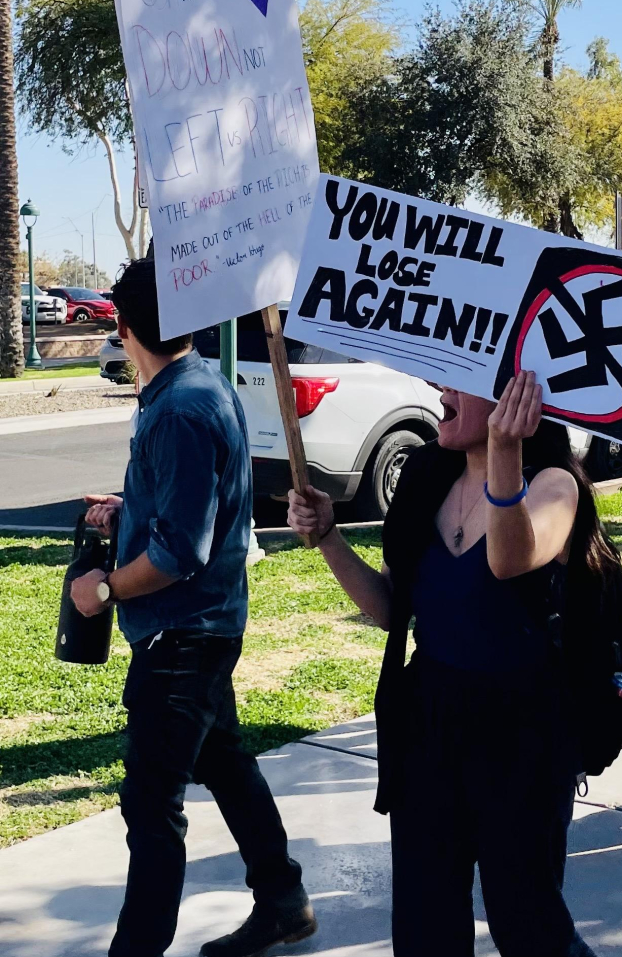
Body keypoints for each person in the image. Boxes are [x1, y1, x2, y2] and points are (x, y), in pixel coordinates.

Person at [288, 371, 616, 957]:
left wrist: (505, 453)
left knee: (527, 916)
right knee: (424, 914)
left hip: (523, 730)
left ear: (513, 394)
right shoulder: (425, 476)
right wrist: (332, 539)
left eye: (459, 382)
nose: (441, 393)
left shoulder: (555, 486)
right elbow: (393, 609)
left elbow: (510, 559)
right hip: (429, 718)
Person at [71, 257, 315, 957]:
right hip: (201, 628)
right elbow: (186, 506)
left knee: (150, 807)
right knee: (226, 764)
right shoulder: (195, 384)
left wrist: (105, 590)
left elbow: (181, 552)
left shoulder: (180, 407)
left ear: (121, 326)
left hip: (184, 636)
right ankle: (283, 900)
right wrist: (132, 507)